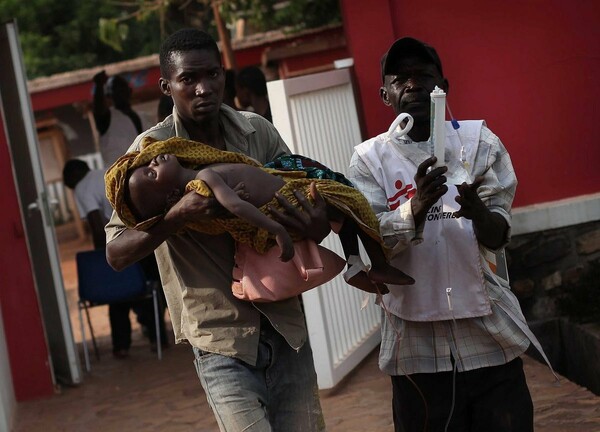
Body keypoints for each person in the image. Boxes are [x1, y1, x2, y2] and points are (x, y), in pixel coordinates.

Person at [105, 28, 329, 431]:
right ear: (166, 86)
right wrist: (178, 216)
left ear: (223, 73)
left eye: (211, 75)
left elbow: (302, 199)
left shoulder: (256, 132)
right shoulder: (148, 157)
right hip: (220, 339)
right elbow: (117, 253)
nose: (203, 88)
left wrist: (317, 224)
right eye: (188, 79)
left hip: (285, 325)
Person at [348, 37, 549, 432]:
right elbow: (375, 245)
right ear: (384, 94)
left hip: (487, 337)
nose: (413, 85)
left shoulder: (478, 144)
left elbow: (496, 234)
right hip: (415, 347)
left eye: (423, 76)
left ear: (444, 86)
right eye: (400, 78)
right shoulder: (369, 159)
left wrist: (476, 211)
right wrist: (416, 206)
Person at [104, 137, 414, 292]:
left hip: (293, 188)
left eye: (149, 164)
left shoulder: (199, 162)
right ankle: (380, 262)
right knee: (351, 200)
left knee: (341, 202)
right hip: (287, 200)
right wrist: (276, 230)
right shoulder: (204, 181)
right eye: (152, 174)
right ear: (172, 197)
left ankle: (356, 265)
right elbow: (238, 207)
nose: (153, 163)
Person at [62, 159, 167, 357]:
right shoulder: (106, 172)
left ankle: (121, 346)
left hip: (122, 243)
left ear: (74, 176)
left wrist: (105, 260)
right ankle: (158, 339)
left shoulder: (81, 188)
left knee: (118, 295)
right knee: (148, 288)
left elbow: (97, 227)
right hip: (144, 235)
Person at [92, 70, 152, 167]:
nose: (120, 92)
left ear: (130, 91)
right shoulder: (106, 118)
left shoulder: (143, 117)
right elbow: (98, 110)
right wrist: (99, 85)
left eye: (122, 88)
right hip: (120, 175)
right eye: (115, 89)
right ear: (108, 95)